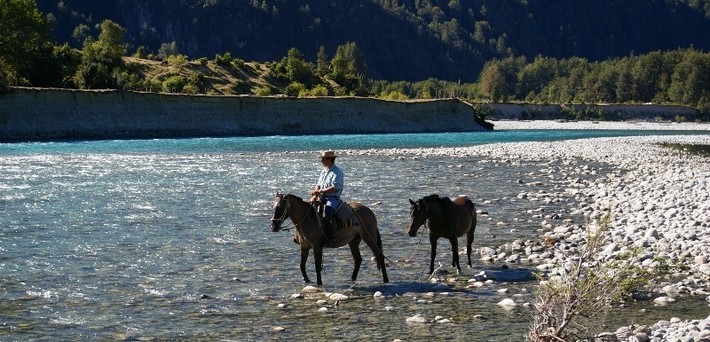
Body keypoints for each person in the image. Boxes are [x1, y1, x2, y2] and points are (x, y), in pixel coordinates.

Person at [311, 151, 344, 243]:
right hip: (321, 197)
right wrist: (316, 192)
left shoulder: (337, 172)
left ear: (329, 159)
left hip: (332, 198)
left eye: (323, 159)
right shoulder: (324, 171)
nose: (321, 161)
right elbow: (319, 184)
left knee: (327, 212)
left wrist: (320, 191)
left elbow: (335, 187)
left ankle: (331, 236)